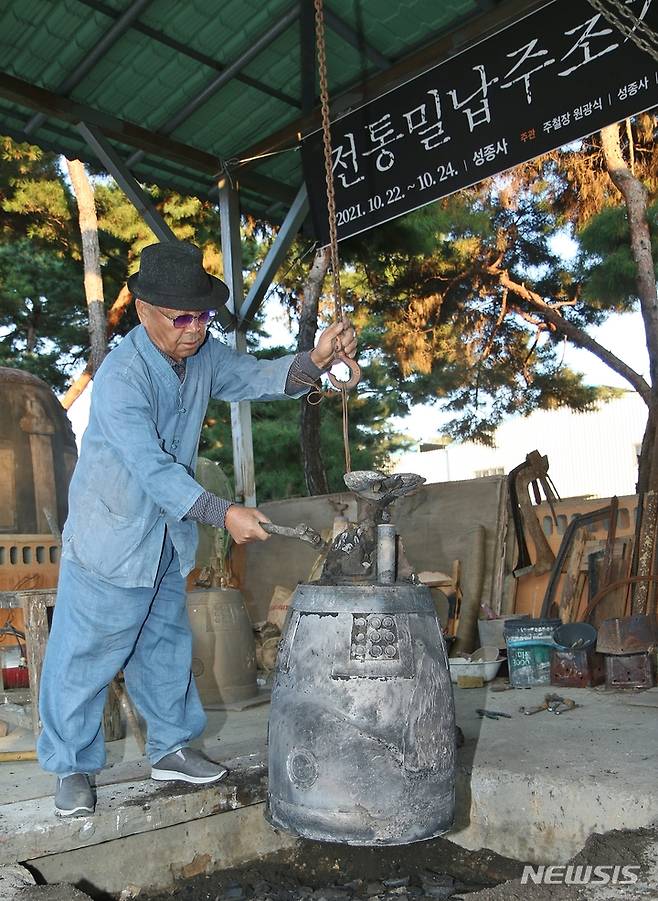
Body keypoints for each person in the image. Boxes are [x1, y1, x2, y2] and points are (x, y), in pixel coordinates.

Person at [37, 240, 357, 817]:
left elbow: (257, 375)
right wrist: (223, 511)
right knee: (87, 654)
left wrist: (316, 359)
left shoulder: (202, 355)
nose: (194, 329)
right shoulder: (120, 377)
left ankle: (171, 748)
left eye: (203, 316)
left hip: (165, 536)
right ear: (142, 311)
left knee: (164, 645)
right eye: (181, 318)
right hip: (112, 535)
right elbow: (151, 467)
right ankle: (72, 768)